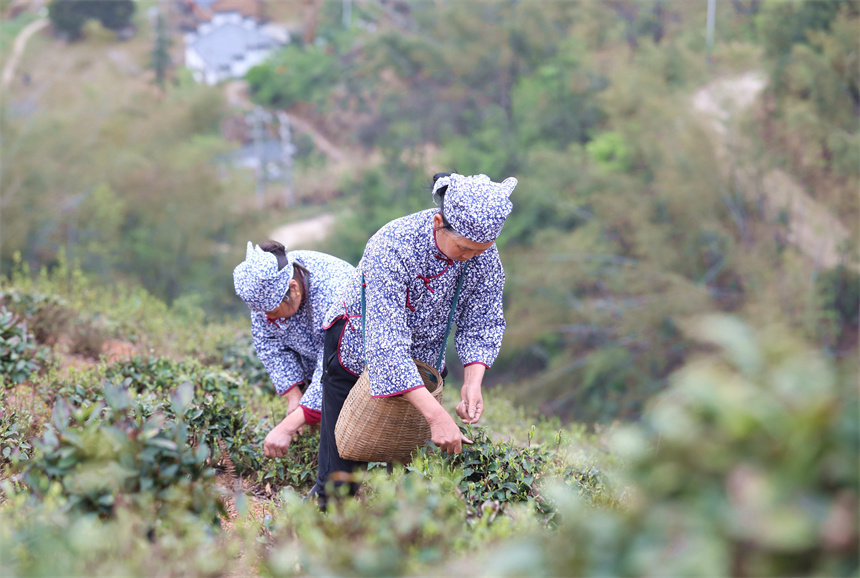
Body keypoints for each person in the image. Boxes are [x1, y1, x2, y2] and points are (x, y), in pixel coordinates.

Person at [311, 172, 517, 503]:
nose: (470, 258)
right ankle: (303, 540)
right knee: (340, 478)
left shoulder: (482, 257)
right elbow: (386, 346)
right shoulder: (393, 246)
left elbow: (483, 319)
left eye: (480, 251)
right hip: (358, 350)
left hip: (425, 358)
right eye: (464, 249)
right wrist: (437, 415)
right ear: (439, 222)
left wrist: (473, 380)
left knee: (413, 477)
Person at [233, 241, 354, 458]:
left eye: (272, 311)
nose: (267, 318)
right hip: (316, 356)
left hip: (357, 360)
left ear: (294, 288)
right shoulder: (266, 290)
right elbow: (269, 345)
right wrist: (293, 396)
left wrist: (289, 425)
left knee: (355, 432)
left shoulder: (333, 291)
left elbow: (335, 363)